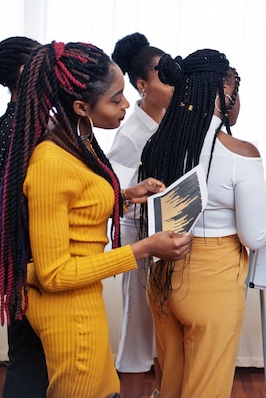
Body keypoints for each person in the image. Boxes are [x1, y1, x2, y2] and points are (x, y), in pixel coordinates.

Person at [0, 41, 193, 397]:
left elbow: (79, 210)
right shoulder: (52, 162)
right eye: (115, 98)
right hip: (71, 318)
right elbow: (55, 274)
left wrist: (127, 196)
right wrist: (144, 248)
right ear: (81, 106)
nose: (125, 104)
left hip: (84, 304)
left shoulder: (76, 141)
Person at [139, 48, 266, 398]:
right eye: (237, 89)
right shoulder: (241, 153)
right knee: (206, 389)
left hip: (162, 277)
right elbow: (254, 237)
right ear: (223, 91)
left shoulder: (158, 145)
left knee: (171, 384)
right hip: (213, 284)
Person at [0, 36, 49, 397]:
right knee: (30, 361)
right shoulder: (25, 129)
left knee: (29, 358)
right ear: (24, 71)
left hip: (13, 246)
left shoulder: (15, 123)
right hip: (22, 252)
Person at [107, 32, 173, 398]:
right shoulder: (131, 134)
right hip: (138, 241)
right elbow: (116, 198)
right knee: (137, 331)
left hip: (164, 236)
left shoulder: (170, 121)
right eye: (165, 76)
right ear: (142, 85)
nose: (174, 83)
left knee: (163, 328)